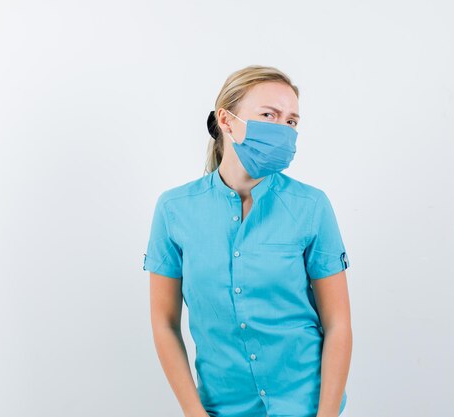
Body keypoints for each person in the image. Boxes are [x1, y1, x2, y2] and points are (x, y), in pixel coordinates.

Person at [142, 65, 352, 417]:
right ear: (226, 121)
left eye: (291, 122)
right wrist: (194, 412)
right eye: (269, 115)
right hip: (222, 408)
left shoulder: (311, 206)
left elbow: (338, 324)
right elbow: (164, 323)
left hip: (306, 406)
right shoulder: (174, 209)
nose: (283, 130)